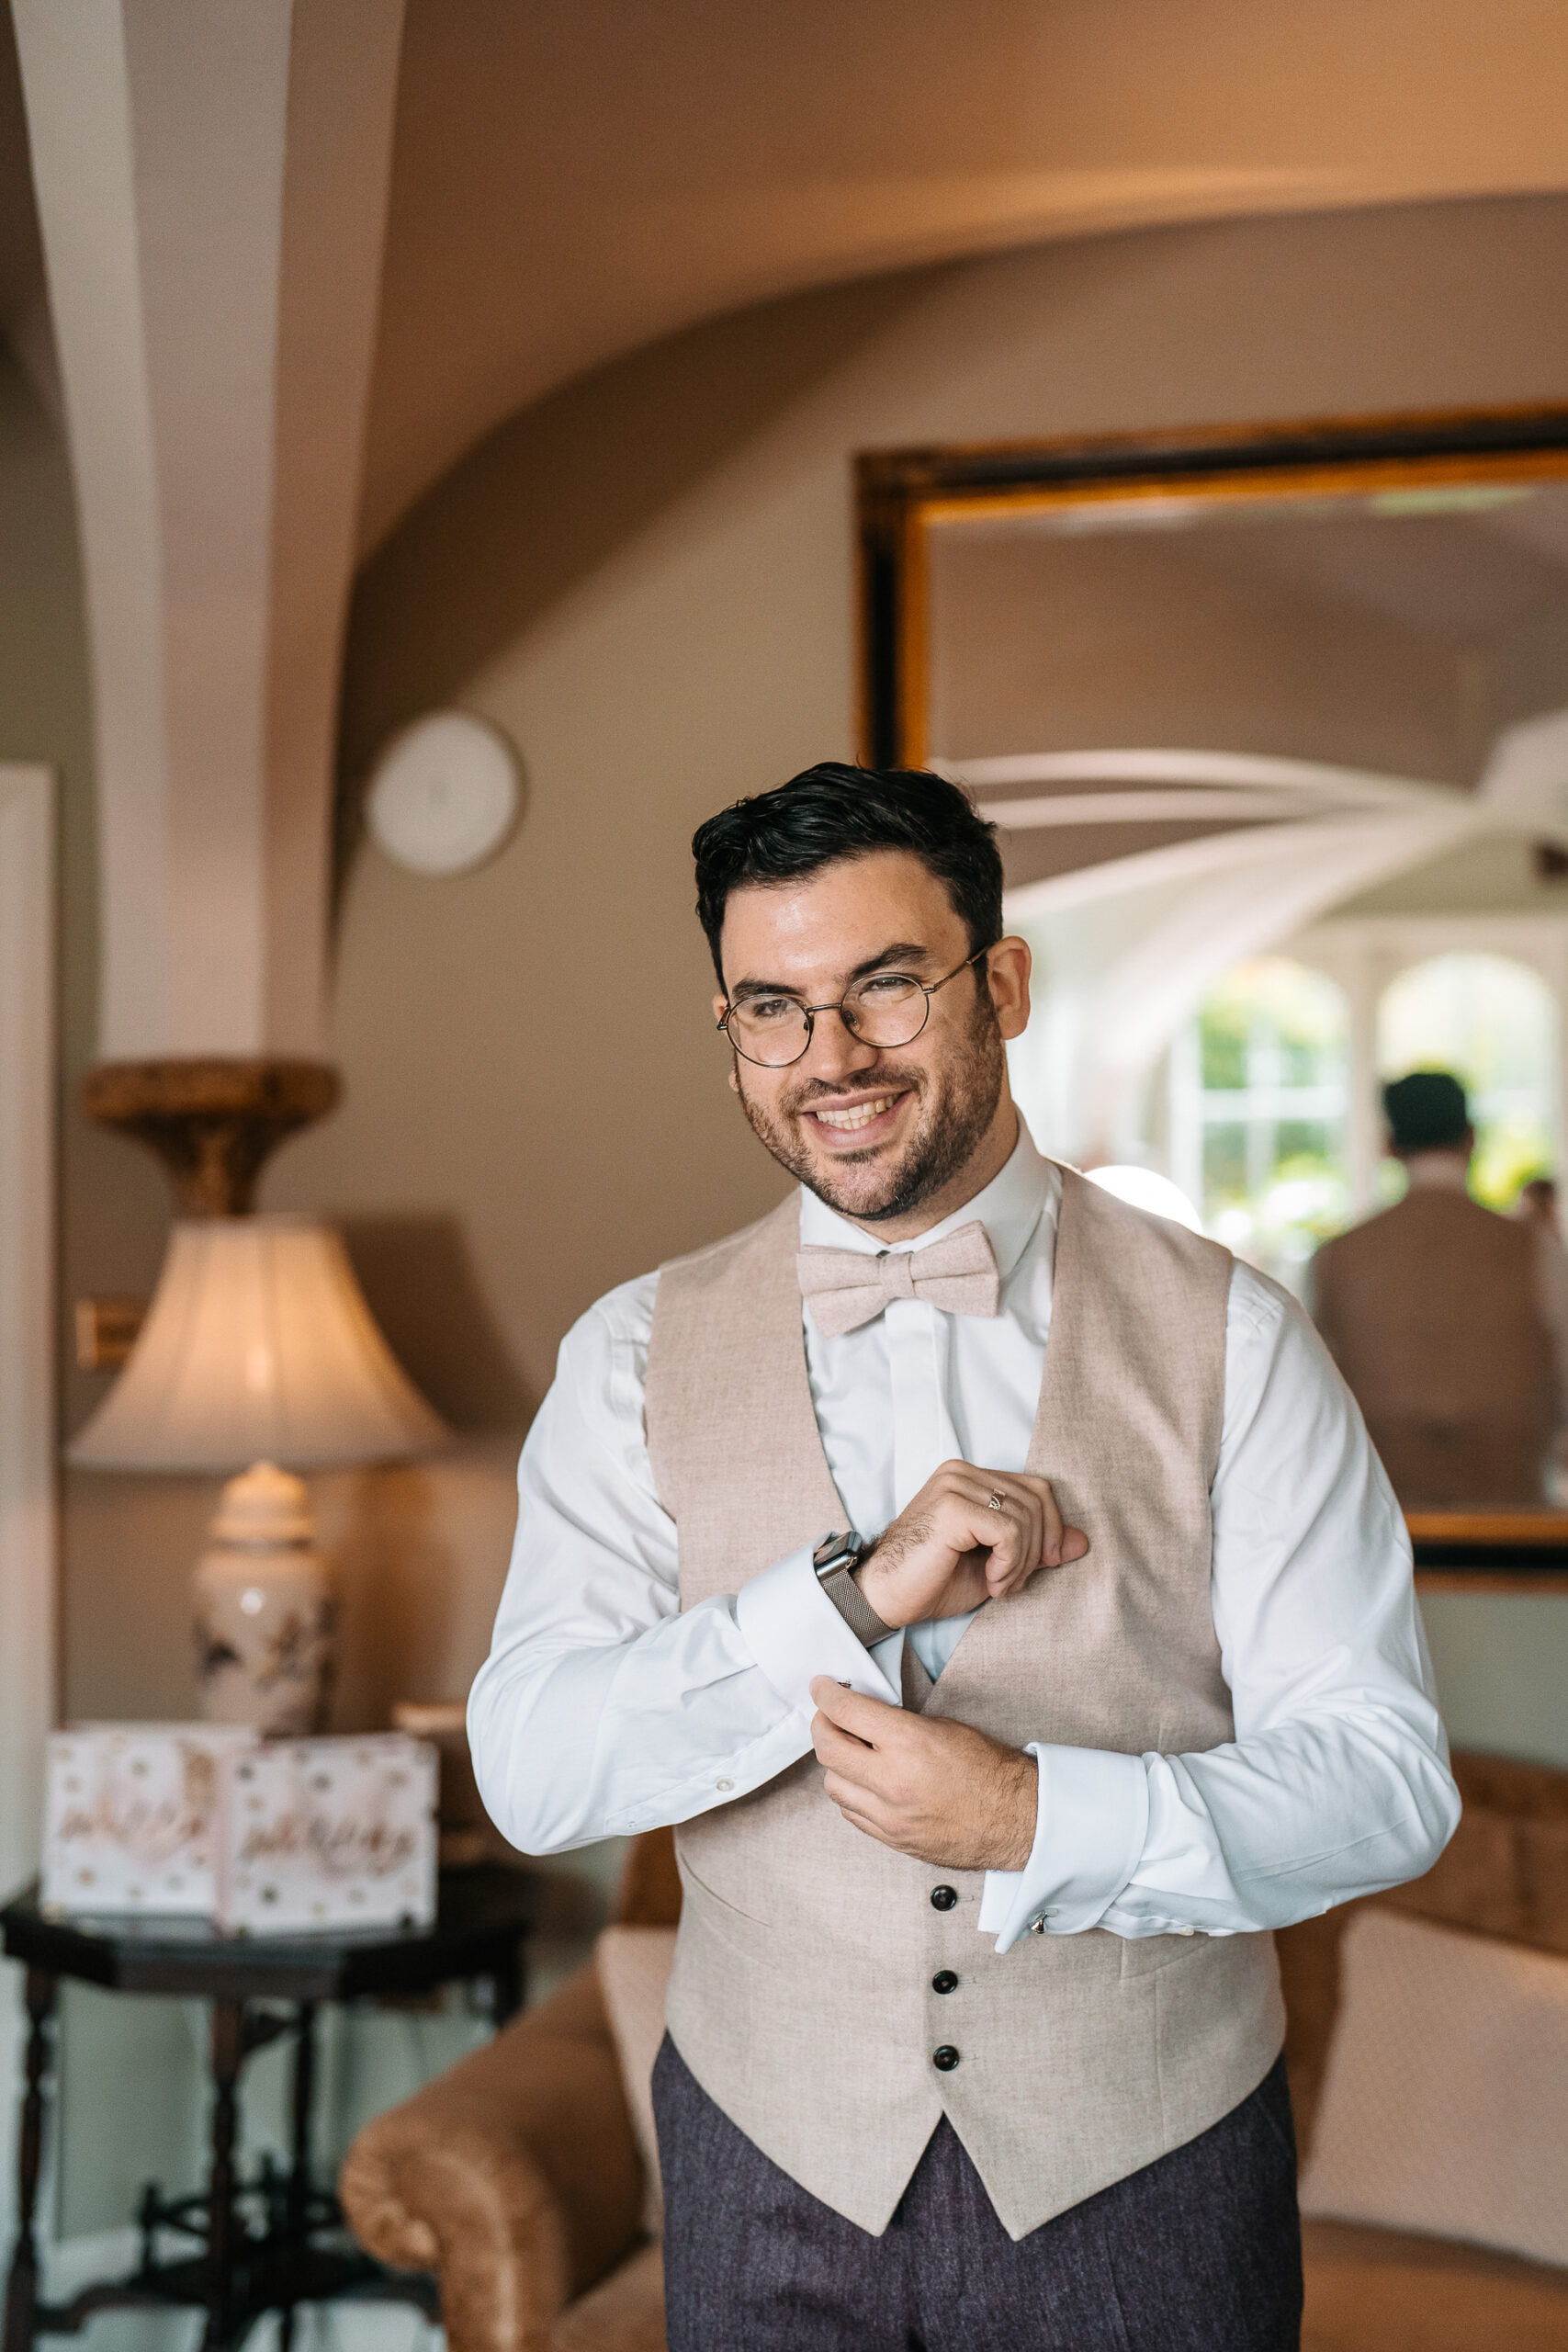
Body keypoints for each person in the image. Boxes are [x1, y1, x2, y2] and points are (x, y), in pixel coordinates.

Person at [468, 764, 1459, 2352]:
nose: (830, 1058)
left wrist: (1034, 1814)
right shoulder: (627, 1356)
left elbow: (1381, 1783)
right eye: (770, 1008)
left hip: (1146, 2168)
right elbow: (534, 1771)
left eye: (883, 987)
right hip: (763, 2165)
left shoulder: (1236, 1339)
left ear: (996, 981)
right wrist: (840, 1606)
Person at [1313, 1071, 1568, 1507]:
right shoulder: (1532, 1247)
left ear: (1388, 1145)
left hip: (1383, 1518)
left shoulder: (1337, 1256)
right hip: (1512, 1517)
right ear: (1471, 1139)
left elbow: (1316, 1395)